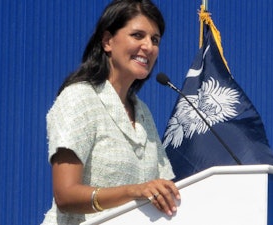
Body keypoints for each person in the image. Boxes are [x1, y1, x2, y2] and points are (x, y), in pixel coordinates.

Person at [41, 0, 180, 224]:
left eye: (155, 40)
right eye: (138, 35)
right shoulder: (79, 97)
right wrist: (134, 191)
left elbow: (164, 190)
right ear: (107, 41)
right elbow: (65, 195)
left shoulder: (142, 113)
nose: (149, 46)